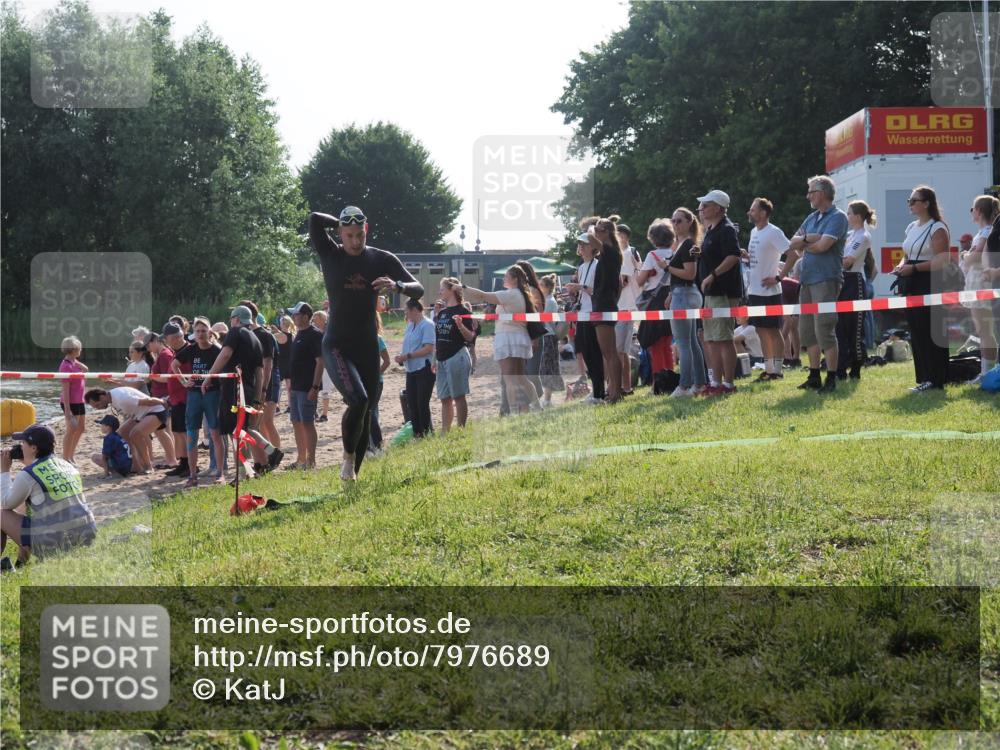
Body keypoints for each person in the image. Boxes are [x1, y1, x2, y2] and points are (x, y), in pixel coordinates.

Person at [309, 206, 423, 480]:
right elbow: (314, 219)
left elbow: (417, 287)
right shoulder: (331, 253)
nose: (356, 241)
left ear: (366, 230)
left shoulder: (380, 258)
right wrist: (340, 221)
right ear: (340, 234)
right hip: (336, 344)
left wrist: (397, 286)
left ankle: (353, 476)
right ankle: (347, 461)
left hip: (367, 346)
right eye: (349, 235)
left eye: (360, 234)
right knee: (358, 401)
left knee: (365, 409)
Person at [783, 175, 848, 393]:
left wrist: (806, 242)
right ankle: (813, 376)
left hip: (826, 280)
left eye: (811, 191)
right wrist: (811, 239)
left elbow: (824, 247)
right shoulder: (812, 217)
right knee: (807, 330)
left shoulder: (838, 217)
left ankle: (831, 377)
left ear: (821, 193)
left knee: (824, 328)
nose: (807, 196)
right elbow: (791, 243)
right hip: (808, 280)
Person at [1, 425, 97, 569]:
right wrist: (29, 463)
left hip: (56, 544)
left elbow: (6, 503)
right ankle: (20, 565)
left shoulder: (28, 474)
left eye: (23, 443)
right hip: (86, 537)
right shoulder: (67, 466)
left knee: (2, 515)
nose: (20, 447)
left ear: (33, 448)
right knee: (25, 507)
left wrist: (4, 471)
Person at [891, 185, 952, 392]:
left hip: (930, 281)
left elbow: (943, 260)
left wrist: (913, 268)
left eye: (914, 200)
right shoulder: (912, 227)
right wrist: (901, 267)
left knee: (930, 330)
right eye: (909, 200)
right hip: (912, 281)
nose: (910, 204)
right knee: (916, 330)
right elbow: (907, 255)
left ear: (926, 203)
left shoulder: (937, 227)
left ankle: (936, 378)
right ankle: (924, 378)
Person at [202, 306, 275, 476]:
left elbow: (225, 354)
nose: (230, 320)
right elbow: (260, 371)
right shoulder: (255, 339)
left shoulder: (235, 332)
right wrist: (257, 397)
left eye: (231, 317)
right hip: (248, 390)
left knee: (237, 431)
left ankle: (268, 455)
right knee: (241, 430)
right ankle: (250, 469)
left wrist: (209, 376)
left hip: (233, 390)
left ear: (236, 319)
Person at [463, 266, 543, 414]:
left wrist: (462, 287)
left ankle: (513, 413)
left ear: (515, 279)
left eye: (506, 276)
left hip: (507, 338)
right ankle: (538, 408)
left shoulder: (511, 294)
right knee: (521, 378)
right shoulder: (522, 294)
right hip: (519, 337)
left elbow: (482, 295)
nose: (504, 279)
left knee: (510, 379)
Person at [696, 189, 743, 395]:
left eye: (706, 205)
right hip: (711, 293)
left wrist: (712, 275)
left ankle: (729, 384)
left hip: (722, 291)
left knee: (724, 338)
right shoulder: (712, 230)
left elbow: (733, 255)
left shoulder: (726, 229)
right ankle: (715, 383)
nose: (702, 209)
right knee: (712, 339)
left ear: (718, 208)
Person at [173, 317, 225, 486]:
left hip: (212, 394)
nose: (201, 334)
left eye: (204, 331)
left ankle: (220, 473)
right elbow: (174, 365)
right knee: (191, 435)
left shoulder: (217, 350)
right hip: (194, 394)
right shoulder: (191, 349)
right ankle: (193, 475)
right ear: (194, 333)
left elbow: (227, 372)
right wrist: (183, 381)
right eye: (198, 331)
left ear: (210, 332)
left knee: (215, 434)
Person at [745, 198, 789, 381]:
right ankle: (768, 369)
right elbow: (760, 258)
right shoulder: (754, 231)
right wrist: (746, 256)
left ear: (763, 213)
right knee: (761, 330)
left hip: (769, 291)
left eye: (753, 209)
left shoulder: (774, 232)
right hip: (754, 290)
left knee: (773, 330)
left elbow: (793, 252)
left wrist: (779, 276)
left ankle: (777, 370)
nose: (749, 212)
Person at [665, 209, 706, 396]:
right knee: (691, 342)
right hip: (682, 293)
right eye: (673, 220)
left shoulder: (688, 244)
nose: (675, 224)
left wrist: (667, 267)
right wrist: (671, 293)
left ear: (690, 222)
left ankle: (684, 385)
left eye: (679, 220)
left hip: (685, 294)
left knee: (684, 343)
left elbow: (690, 274)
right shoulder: (682, 244)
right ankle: (699, 383)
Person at [584, 216, 624, 403]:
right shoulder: (609, 252)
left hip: (604, 304)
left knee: (610, 352)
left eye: (600, 230)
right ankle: (614, 390)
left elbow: (590, 238)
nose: (595, 233)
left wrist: (592, 226)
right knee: (608, 352)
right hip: (603, 303)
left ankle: (616, 392)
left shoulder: (610, 250)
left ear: (606, 233)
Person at [84, 386, 169, 474]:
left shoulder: (121, 398)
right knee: (121, 433)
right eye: (95, 407)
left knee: (135, 435)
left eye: (97, 405)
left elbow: (148, 400)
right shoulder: (112, 398)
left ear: (102, 397)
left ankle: (148, 466)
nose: (98, 408)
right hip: (140, 415)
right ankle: (136, 465)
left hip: (157, 410)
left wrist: (163, 402)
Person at [962, 195, 999, 383]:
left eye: (972, 209)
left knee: (985, 330)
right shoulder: (984, 231)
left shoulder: (986, 231)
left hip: (981, 282)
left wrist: (965, 256)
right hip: (977, 281)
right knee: (984, 330)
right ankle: (987, 371)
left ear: (979, 211)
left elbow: (975, 257)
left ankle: (987, 372)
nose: (971, 212)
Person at [838, 200, 877, 381]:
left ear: (858, 216)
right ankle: (840, 367)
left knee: (855, 329)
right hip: (842, 282)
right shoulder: (849, 234)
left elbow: (847, 261)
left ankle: (856, 368)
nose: (847, 216)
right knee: (840, 327)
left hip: (854, 282)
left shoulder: (863, 236)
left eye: (849, 213)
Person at [284, 302, 324, 469]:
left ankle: (311, 461)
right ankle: (301, 459)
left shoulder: (314, 334)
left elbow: (320, 362)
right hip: (296, 387)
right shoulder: (299, 333)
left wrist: (315, 387)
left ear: (306, 316)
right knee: (296, 421)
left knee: (307, 422)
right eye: (293, 314)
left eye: (297, 314)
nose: (294, 317)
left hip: (307, 388)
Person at [565, 234, 604, 404]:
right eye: (580, 244)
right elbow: (585, 291)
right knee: (585, 353)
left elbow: (597, 291)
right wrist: (576, 291)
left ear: (592, 247)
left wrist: (580, 287)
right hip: (583, 314)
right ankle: (595, 391)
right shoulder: (582, 267)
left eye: (584, 244)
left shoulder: (597, 265)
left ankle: (599, 392)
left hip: (593, 313)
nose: (580, 247)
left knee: (594, 354)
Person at [434, 278, 475, 433]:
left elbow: (470, 337)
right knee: (444, 398)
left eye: (442, 288)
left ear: (452, 290)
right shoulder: (442, 313)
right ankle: (445, 433)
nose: (440, 292)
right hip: (441, 358)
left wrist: (460, 326)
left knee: (458, 396)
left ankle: (461, 430)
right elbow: (437, 337)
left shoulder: (464, 312)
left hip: (457, 356)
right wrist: (434, 359)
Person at [241, 300, 283, 453]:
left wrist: (263, 389)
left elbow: (268, 364)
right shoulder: (248, 334)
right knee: (258, 424)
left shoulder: (264, 335)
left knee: (267, 421)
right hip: (255, 383)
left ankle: (277, 452)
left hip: (268, 381)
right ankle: (267, 453)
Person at [636, 219, 675, 381]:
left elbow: (639, 281)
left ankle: (659, 381)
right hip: (672, 296)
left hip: (655, 299)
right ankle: (670, 377)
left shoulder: (652, 256)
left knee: (655, 344)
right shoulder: (675, 253)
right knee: (667, 343)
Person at [397, 299, 436, 438]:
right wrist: (402, 357)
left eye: (406, 310)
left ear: (414, 310)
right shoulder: (410, 325)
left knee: (422, 403)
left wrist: (407, 356)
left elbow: (428, 348)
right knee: (412, 403)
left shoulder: (427, 325)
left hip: (424, 368)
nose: (405, 313)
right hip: (411, 369)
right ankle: (417, 434)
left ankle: (426, 433)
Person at [159, 322, 190, 478]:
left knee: (184, 432)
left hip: (186, 398)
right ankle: (183, 463)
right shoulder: (174, 351)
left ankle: (190, 464)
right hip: (176, 398)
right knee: (177, 432)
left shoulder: (188, 350)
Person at [144, 332, 179, 468]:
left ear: (155, 341)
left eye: (148, 345)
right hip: (161, 395)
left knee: (163, 429)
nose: (147, 349)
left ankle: (171, 458)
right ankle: (170, 457)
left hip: (164, 396)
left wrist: (152, 376)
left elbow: (168, 378)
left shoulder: (165, 355)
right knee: (165, 429)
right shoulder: (162, 354)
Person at [616, 223, 642, 395]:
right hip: (626, 305)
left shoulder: (625, 254)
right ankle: (624, 386)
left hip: (625, 305)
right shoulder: (630, 252)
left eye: (619, 234)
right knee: (621, 350)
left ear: (625, 236)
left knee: (620, 350)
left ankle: (625, 386)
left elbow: (623, 281)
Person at [514, 260, 546, 401]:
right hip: (522, 336)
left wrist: (536, 338)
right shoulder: (520, 292)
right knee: (524, 373)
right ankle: (531, 401)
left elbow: (537, 316)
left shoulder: (533, 291)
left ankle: (537, 397)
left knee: (532, 373)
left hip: (533, 335)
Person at [57, 335, 88, 464]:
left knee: (80, 428)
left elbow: (86, 369)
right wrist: (67, 410)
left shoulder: (74, 363)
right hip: (70, 402)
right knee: (71, 430)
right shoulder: (65, 366)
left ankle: (71, 455)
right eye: (78, 348)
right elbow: (65, 389)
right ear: (74, 349)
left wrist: (75, 360)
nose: (81, 350)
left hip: (80, 400)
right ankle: (66, 458)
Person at [538, 274, 566, 407]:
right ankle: (547, 399)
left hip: (548, 336)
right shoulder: (548, 300)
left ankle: (547, 399)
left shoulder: (548, 301)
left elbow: (543, 319)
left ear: (548, 287)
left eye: (541, 285)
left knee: (548, 367)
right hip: (547, 335)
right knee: (547, 367)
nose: (539, 287)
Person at [311, 310, 333, 422]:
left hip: (327, 364)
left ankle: (324, 414)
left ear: (323, 319)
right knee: (314, 387)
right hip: (315, 364)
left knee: (325, 389)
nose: (314, 321)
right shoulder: (313, 332)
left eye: (316, 318)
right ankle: (314, 412)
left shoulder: (329, 332)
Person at [271, 315, 295, 412]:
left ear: (282, 324)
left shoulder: (277, 336)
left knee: (278, 386)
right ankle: (290, 405)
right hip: (289, 362)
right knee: (289, 386)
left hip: (280, 363)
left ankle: (277, 405)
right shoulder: (292, 336)